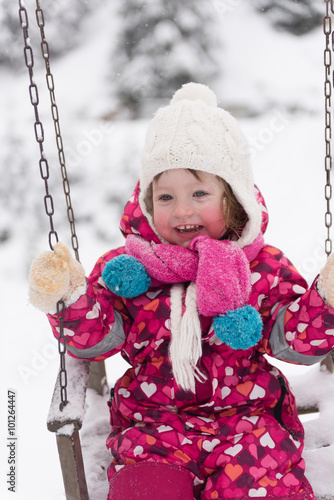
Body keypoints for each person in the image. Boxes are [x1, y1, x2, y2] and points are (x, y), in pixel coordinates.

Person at [29, 82, 334, 500]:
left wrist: (328, 298)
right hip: (152, 427)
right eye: (166, 196)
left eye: (200, 193)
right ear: (148, 203)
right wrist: (67, 298)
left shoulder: (260, 267)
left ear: (234, 199)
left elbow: (296, 341)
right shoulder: (127, 269)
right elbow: (97, 340)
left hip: (249, 427)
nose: (182, 209)